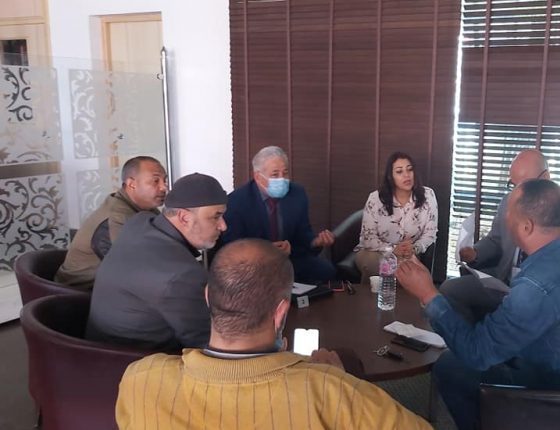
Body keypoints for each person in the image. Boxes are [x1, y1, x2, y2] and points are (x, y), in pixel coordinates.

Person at [116, 239, 432, 430]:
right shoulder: (332, 393)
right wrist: (340, 381)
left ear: (209, 298)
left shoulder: (139, 378)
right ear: (281, 313)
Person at [397, 179, 560, 430]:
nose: (505, 218)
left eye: (509, 213)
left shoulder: (534, 287)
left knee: (451, 366)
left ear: (527, 226)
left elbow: (477, 354)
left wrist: (428, 294)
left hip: (554, 385)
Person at [443, 149, 560, 323]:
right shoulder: (508, 202)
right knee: (450, 290)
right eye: (513, 185)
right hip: (503, 281)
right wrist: (475, 253)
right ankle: (472, 337)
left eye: (525, 185)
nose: (518, 194)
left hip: (541, 293)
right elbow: (495, 240)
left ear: (545, 178)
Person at [86, 173, 227, 350]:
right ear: (184, 218)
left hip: (98, 347)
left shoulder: (139, 223)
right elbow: (208, 343)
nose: (223, 226)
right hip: (134, 361)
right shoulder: (180, 275)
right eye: (216, 216)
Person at [220, 146, 336, 284]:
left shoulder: (297, 193)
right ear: (258, 177)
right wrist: (266, 251)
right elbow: (233, 246)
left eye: (285, 173)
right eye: (275, 175)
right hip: (254, 263)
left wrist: (316, 242)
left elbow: (303, 234)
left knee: (327, 271)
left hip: (289, 258)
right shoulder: (236, 201)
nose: (282, 179)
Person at [55, 156, 168, 289]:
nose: (164, 187)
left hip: (112, 284)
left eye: (165, 180)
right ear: (132, 184)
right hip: (81, 293)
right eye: (155, 181)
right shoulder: (116, 218)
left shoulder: (145, 207)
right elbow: (134, 269)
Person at [354, 151, 438, 284]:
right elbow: (368, 239)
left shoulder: (428, 195)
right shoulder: (375, 198)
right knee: (378, 263)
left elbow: (430, 234)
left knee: (406, 266)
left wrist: (414, 248)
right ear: (390, 177)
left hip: (408, 255)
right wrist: (393, 249)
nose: (406, 175)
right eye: (399, 171)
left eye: (410, 169)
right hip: (375, 253)